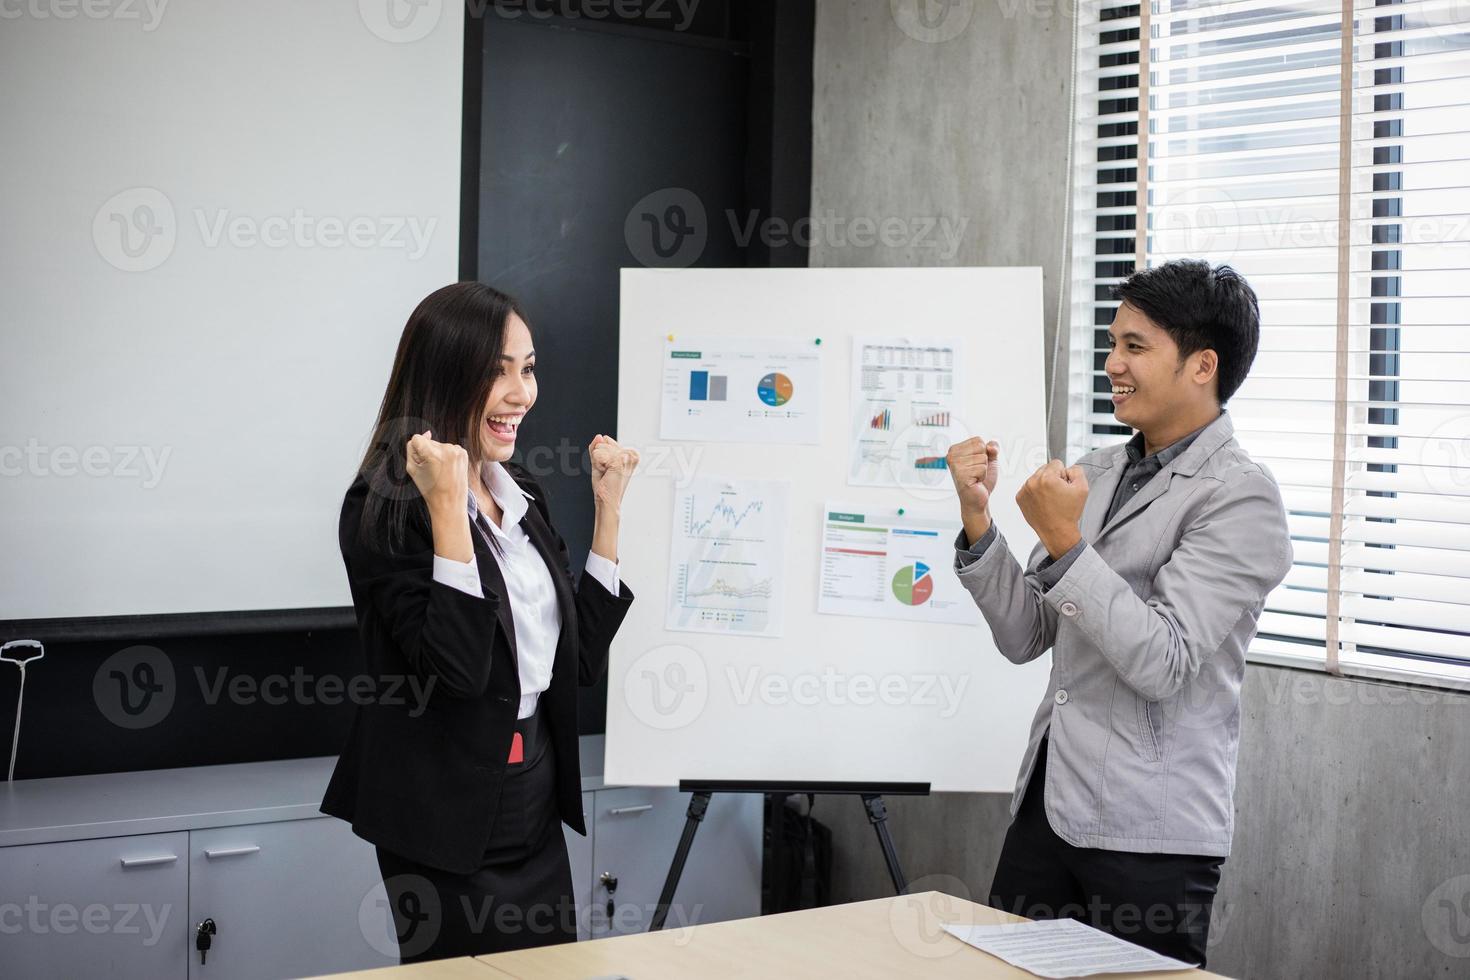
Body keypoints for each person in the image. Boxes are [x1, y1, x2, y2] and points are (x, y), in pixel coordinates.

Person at [946, 259, 1292, 967]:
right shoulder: (1096, 472)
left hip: (1150, 834)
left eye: (1135, 347)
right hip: (1048, 810)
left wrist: (1067, 541)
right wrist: (980, 522)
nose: (1112, 364)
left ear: (1202, 365)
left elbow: (1162, 662)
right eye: (1112, 344)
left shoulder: (1241, 498)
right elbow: (1026, 635)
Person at [320, 282, 638, 961]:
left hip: (535, 799)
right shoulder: (383, 509)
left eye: (527, 367)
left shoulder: (520, 490)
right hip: (441, 817)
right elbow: (458, 671)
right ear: (446, 375)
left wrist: (608, 512)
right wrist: (445, 511)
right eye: (499, 370)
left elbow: (575, 664)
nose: (522, 392)